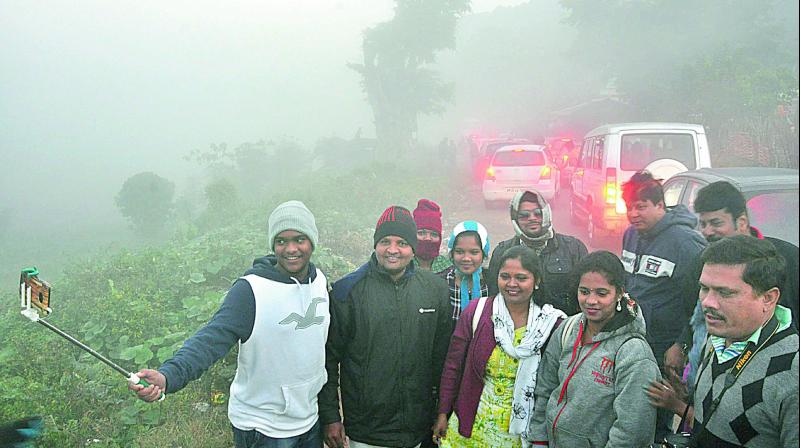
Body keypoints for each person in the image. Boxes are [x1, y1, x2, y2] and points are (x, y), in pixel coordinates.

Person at [129, 200, 329, 448]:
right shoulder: (251, 290)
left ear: (312, 241)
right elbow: (212, 338)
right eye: (281, 241)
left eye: (299, 239)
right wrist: (169, 376)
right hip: (263, 428)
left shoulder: (318, 280)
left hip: (308, 419)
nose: (291, 249)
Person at [319, 206, 452, 448]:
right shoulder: (347, 291)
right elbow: (328, 358)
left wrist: (442, 410)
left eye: (401, 242)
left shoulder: (435, 290)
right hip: (367, 429)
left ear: (413, 248)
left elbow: (442, 358)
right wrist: (330, 417)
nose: (392, 250)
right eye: (385, 241)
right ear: (375, 245)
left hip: (418, 426)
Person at [652, 235, 798, 447]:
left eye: (725, 293)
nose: (707, 303)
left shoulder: (793, 373)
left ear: (768, 298)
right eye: (704, 288)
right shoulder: (716, 336)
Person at [661, 180, 799, 402]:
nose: (707, 232)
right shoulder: (701, 263)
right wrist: (682, 344)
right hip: (711, 374)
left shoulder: (788, 259)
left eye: (716, 223)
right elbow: (692, 314)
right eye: (703, 224)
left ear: (741, 221)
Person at [433, 246, 565, 447]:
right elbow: (453, 366)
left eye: (521, 278)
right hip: (471, 427)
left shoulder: (551, 324)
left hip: (520, 433)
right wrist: (443, 412)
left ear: (536, 281)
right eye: (505, 276)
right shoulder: (477, 312)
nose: (512, 284)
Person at [531, 251, 660, 447]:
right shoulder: (568, 328)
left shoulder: (633, 353)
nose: (591, 301)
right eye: (584, 291)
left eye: (601, 293)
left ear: (619, 293)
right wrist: (539, 438)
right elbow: (545, 387)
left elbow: (632, 430)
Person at [620, 171, 706, 439]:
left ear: (660, 205)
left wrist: (681, 345)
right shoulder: (630, 235)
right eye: (629, 207)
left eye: (641, 206)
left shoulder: (685, 242)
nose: (634, 214)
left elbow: (701, 303)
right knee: (630, 407)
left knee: (656, 411)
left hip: (665, 347)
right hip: (633, 340)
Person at [487, 190, 587, 315]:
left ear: (546, 214)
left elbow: (586, 293)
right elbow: (494, 297)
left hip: (563, 327)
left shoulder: (573, 248)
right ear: (515, 219)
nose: (532, 219)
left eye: (538, 214)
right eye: (524, 215)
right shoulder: (502, 252)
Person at [439, 220, 491, 321]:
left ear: (483, 254)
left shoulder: (492, 283)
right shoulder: (442, 283)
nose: (466, 258)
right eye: (460, 252)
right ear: (452, 253)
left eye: (474, 252)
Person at [412, 199, 452, 273]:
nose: (427, 238)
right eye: (421, 233)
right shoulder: (403, 267)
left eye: (433, 234)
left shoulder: (450, 269)